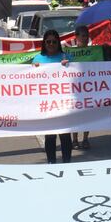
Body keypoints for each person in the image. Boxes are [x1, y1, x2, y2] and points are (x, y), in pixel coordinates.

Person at [31, 30, 72, 163]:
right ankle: (51, 162)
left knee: (65, 135)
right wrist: (33, 69)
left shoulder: (66, 56)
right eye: (48, 41)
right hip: (47, 103)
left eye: (54, 41)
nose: (51, 44)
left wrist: (69, 66)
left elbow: (75, 76)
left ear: (58, 43)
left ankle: (67, 162)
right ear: (44, 43)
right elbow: (30, 80)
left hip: (63, 102)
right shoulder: (38, 58)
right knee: (50, 135)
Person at [72, 22, 94, 151]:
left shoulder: (93, 51)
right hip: (75, 89)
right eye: (82, 36)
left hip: (90, 88)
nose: (85, 38)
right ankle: (74, 139)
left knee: (87, 115)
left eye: (87, 35)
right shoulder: (70, 52)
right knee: (75, 115)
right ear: (76, 37)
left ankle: (85, 138)